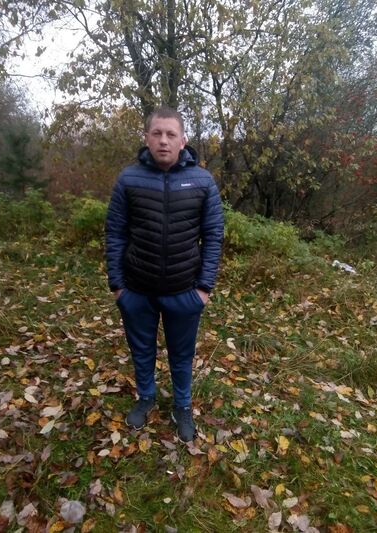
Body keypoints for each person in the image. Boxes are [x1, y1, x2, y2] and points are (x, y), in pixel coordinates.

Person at [105, 107, 224, 442]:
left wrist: (204, 288)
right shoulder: (129, 179)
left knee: (182, 355)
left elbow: (213, 235)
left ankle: (182, 405)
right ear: (146, 138)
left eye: (171, 134)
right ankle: (146, 397)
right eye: (157, 133)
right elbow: (115, 233)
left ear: (183, 141)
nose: (163, 140)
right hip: (136, 290)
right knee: (141, 350)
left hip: (184, 291)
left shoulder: (202, 181)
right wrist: (118, 286)